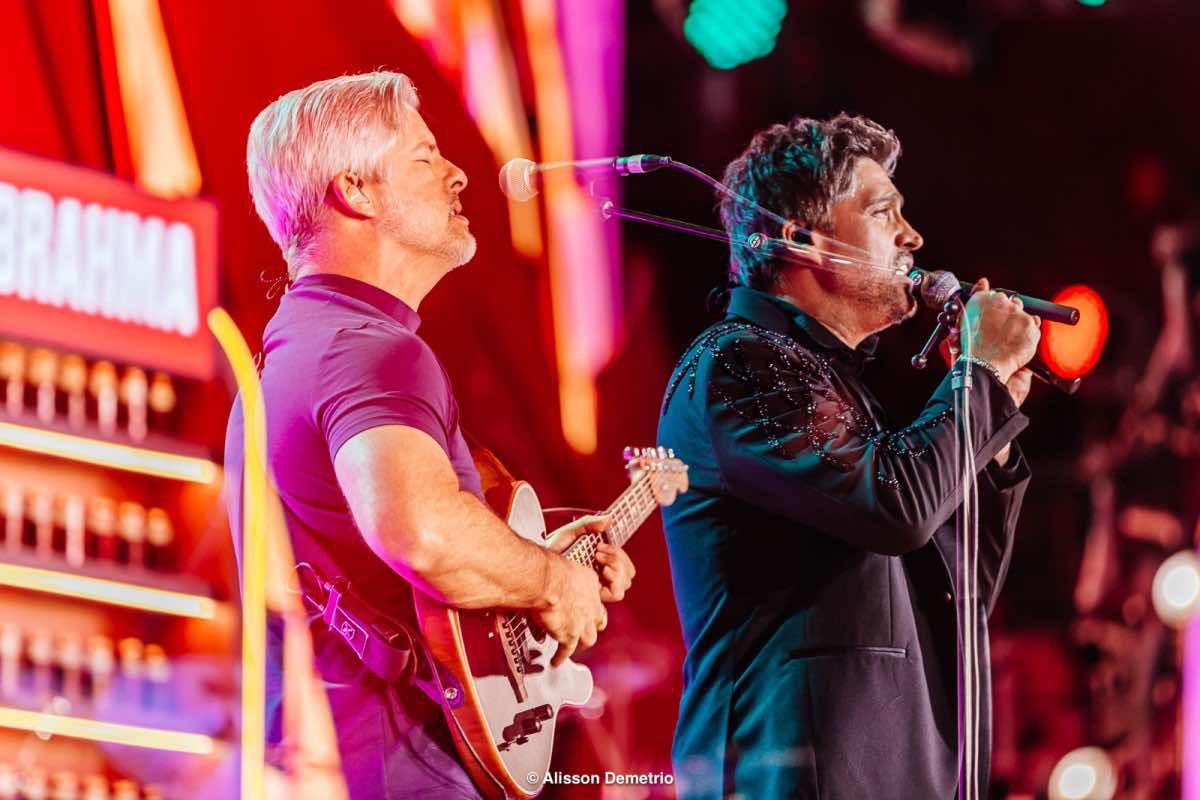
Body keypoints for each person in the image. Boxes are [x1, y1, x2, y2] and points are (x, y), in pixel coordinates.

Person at [223, 71, 636, 800]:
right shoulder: (370, 350)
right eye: (424, 157)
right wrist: (551, 582)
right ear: (356, 190)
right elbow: (421, 532)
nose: (457, 175)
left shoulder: (302, 348)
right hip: (404, 766)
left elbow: (393, 561)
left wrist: (535, 560)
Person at [657, 113, 1041, 798]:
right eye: (883, 212)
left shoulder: (841, 393)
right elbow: (896, 508)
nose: (913, 237)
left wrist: (991, 430)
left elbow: (957, 591)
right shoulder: (737, 362)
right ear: (803, 239)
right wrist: (976, 378)